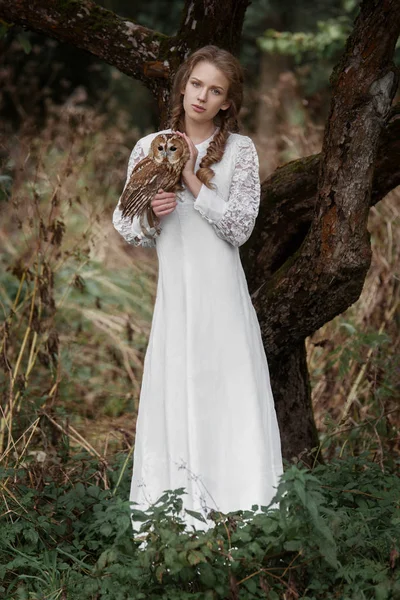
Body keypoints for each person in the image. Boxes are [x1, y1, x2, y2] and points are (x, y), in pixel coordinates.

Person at [112, 45, 284, 538]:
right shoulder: (150, 145)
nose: (202, 97)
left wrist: (190, 179)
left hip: (223, 300)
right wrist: (152, 213)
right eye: (196, 85)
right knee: (179, 391)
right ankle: (178, 522)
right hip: (177, 299)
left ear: (228, 102)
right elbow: (125, 223)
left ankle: (243, 520)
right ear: (183, 85)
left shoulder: (240, 151)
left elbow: (240, 226)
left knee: (228, 397)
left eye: (215, 91)